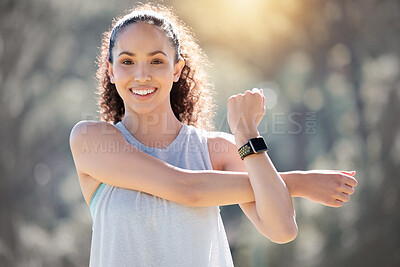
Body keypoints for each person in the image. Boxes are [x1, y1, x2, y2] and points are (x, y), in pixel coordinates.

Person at [69, 3, 358, 266]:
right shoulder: (92, 141)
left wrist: (246, 133)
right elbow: (187, 189)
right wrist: (296, 182)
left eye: (156, 61)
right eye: (127, 61)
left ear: (177, 69)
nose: (142, 75)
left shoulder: (217, 150)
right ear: (110, 70)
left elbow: (281, 228)